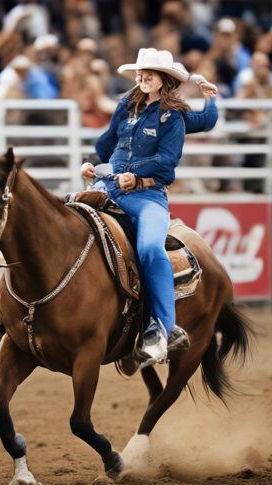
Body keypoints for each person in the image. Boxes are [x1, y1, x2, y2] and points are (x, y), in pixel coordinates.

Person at [81, 48, 218, 364]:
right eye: (140, 73)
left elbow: (167, 160)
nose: (143, 78)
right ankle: (7, 315)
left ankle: (162, 329)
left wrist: (211, 98)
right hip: (108, 187)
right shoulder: (125, 105)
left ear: (163, 80)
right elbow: (105, 144)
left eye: (150, 73)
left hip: (148, 196)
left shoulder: (174, 116)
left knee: (150, 250)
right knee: (65, 219)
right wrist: (90, 164)